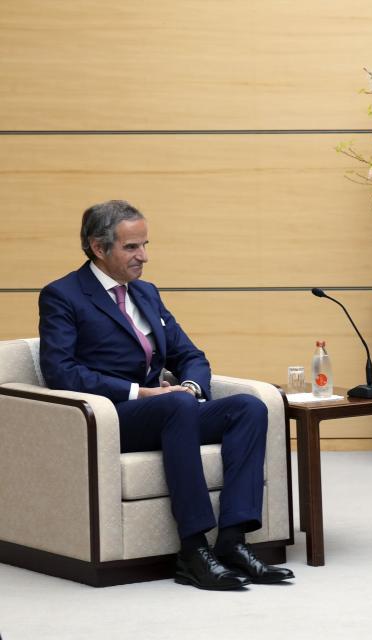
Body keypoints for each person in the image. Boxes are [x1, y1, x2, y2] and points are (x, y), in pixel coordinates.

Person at [39, 200, 295, 591]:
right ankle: (193, 550)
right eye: (131, 247)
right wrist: (140, 393)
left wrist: (191, 387)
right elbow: (60, 370)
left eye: (144, 244)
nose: (144, 256)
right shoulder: (63, 295)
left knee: (247, 407)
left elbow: (189, 355)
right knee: (174, 403)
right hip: (113, 417)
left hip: (170, 410)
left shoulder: (146, 293)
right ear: (98, 247)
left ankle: (231, 541)